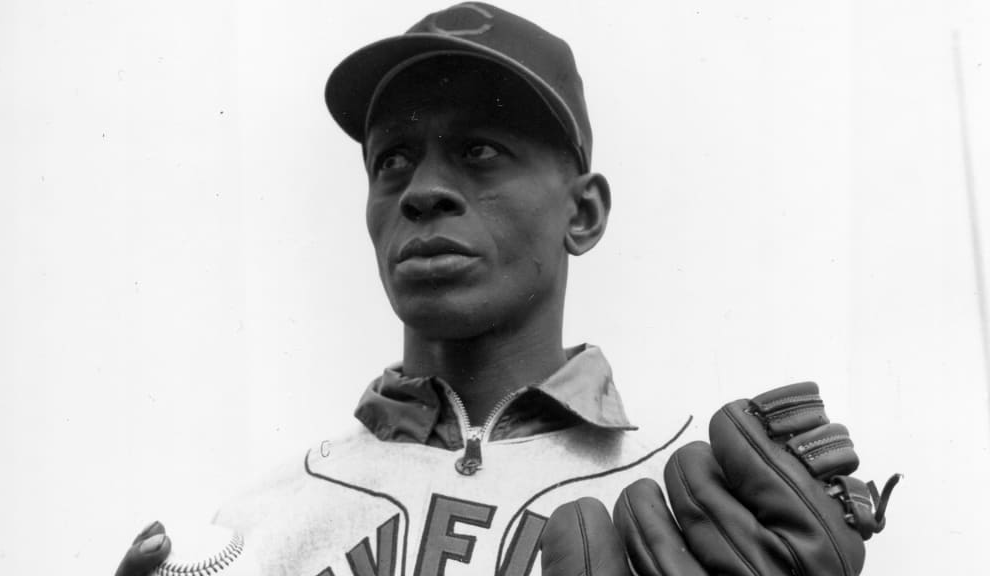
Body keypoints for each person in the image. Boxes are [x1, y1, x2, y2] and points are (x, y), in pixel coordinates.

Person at [115, 4, 896, 576]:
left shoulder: (692, 494)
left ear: (583, 214)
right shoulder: (257, 526)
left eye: (480, 150)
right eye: (392, 161)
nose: (423, 190)